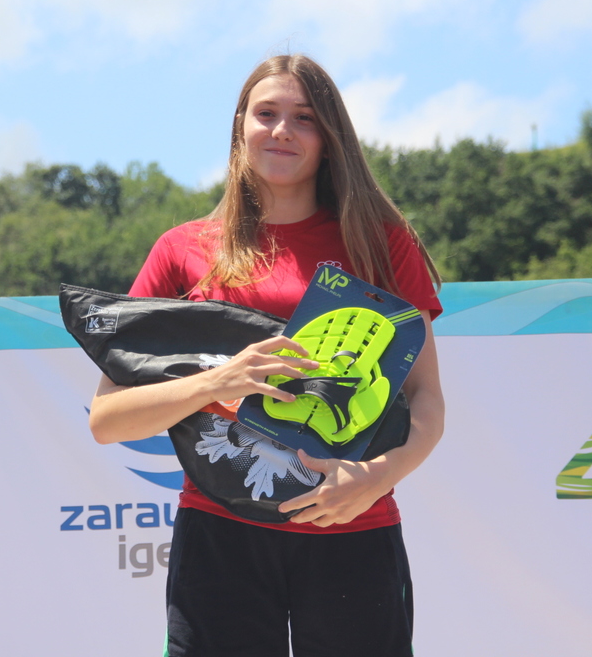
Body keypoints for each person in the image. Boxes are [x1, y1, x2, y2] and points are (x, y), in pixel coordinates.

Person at [89, 54, 445, 657]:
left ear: (329, 138)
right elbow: (107, 419)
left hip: (352, 523)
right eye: (267, 113)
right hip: (219, 532)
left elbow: (426, 398)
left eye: (304, 118)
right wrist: (216, 381)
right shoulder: (180, 250)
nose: (282, 130)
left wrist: (380, 475)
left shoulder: (382, 244)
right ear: (240, 126)